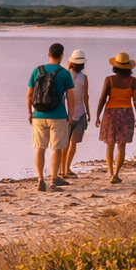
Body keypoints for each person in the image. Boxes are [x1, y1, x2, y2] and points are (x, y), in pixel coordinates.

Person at [28, 42, 76, 192]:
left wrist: (30, 113)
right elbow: (70, 97)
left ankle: (40, 179)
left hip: (38, 115)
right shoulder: (64, 73)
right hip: (58, 115)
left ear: (48, 54)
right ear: (62, 56)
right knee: (56, 148)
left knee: (40, 148)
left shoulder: (37, 70)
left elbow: (29, 94)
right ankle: (54, 179)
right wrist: (71, 115)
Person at [94, 52, 136, 184]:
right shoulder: (133, 81)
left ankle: (110, 173)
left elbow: (103, 98)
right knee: (122, 145)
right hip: (126, 113)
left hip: (110, 114)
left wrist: (98, 115)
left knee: (110, 144)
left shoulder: (109, 80)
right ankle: (117, 174)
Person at [62, 49, 90, 177]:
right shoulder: (84, 78)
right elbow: (85, 97)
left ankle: (61, 170)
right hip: (80, 112)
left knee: (64, 143)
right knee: (73, 143)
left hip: (66, 113)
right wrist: (88, 113)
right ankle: (67, 168)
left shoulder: (64, 75)